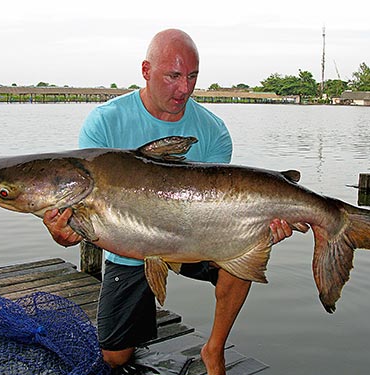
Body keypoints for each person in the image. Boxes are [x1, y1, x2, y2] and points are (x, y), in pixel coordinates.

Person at [43, 29, 292, 375]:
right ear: (146, 71)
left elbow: (221, 209)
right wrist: (64, 232)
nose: (185, 89)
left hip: (193, 237)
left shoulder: (213, 131)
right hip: (128, 246)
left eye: (192, 77)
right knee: (115, 357)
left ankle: (214, 349)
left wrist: (260, 229)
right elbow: (82, 215)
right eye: (173, 76)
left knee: (245, 246)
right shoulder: (104, 123)